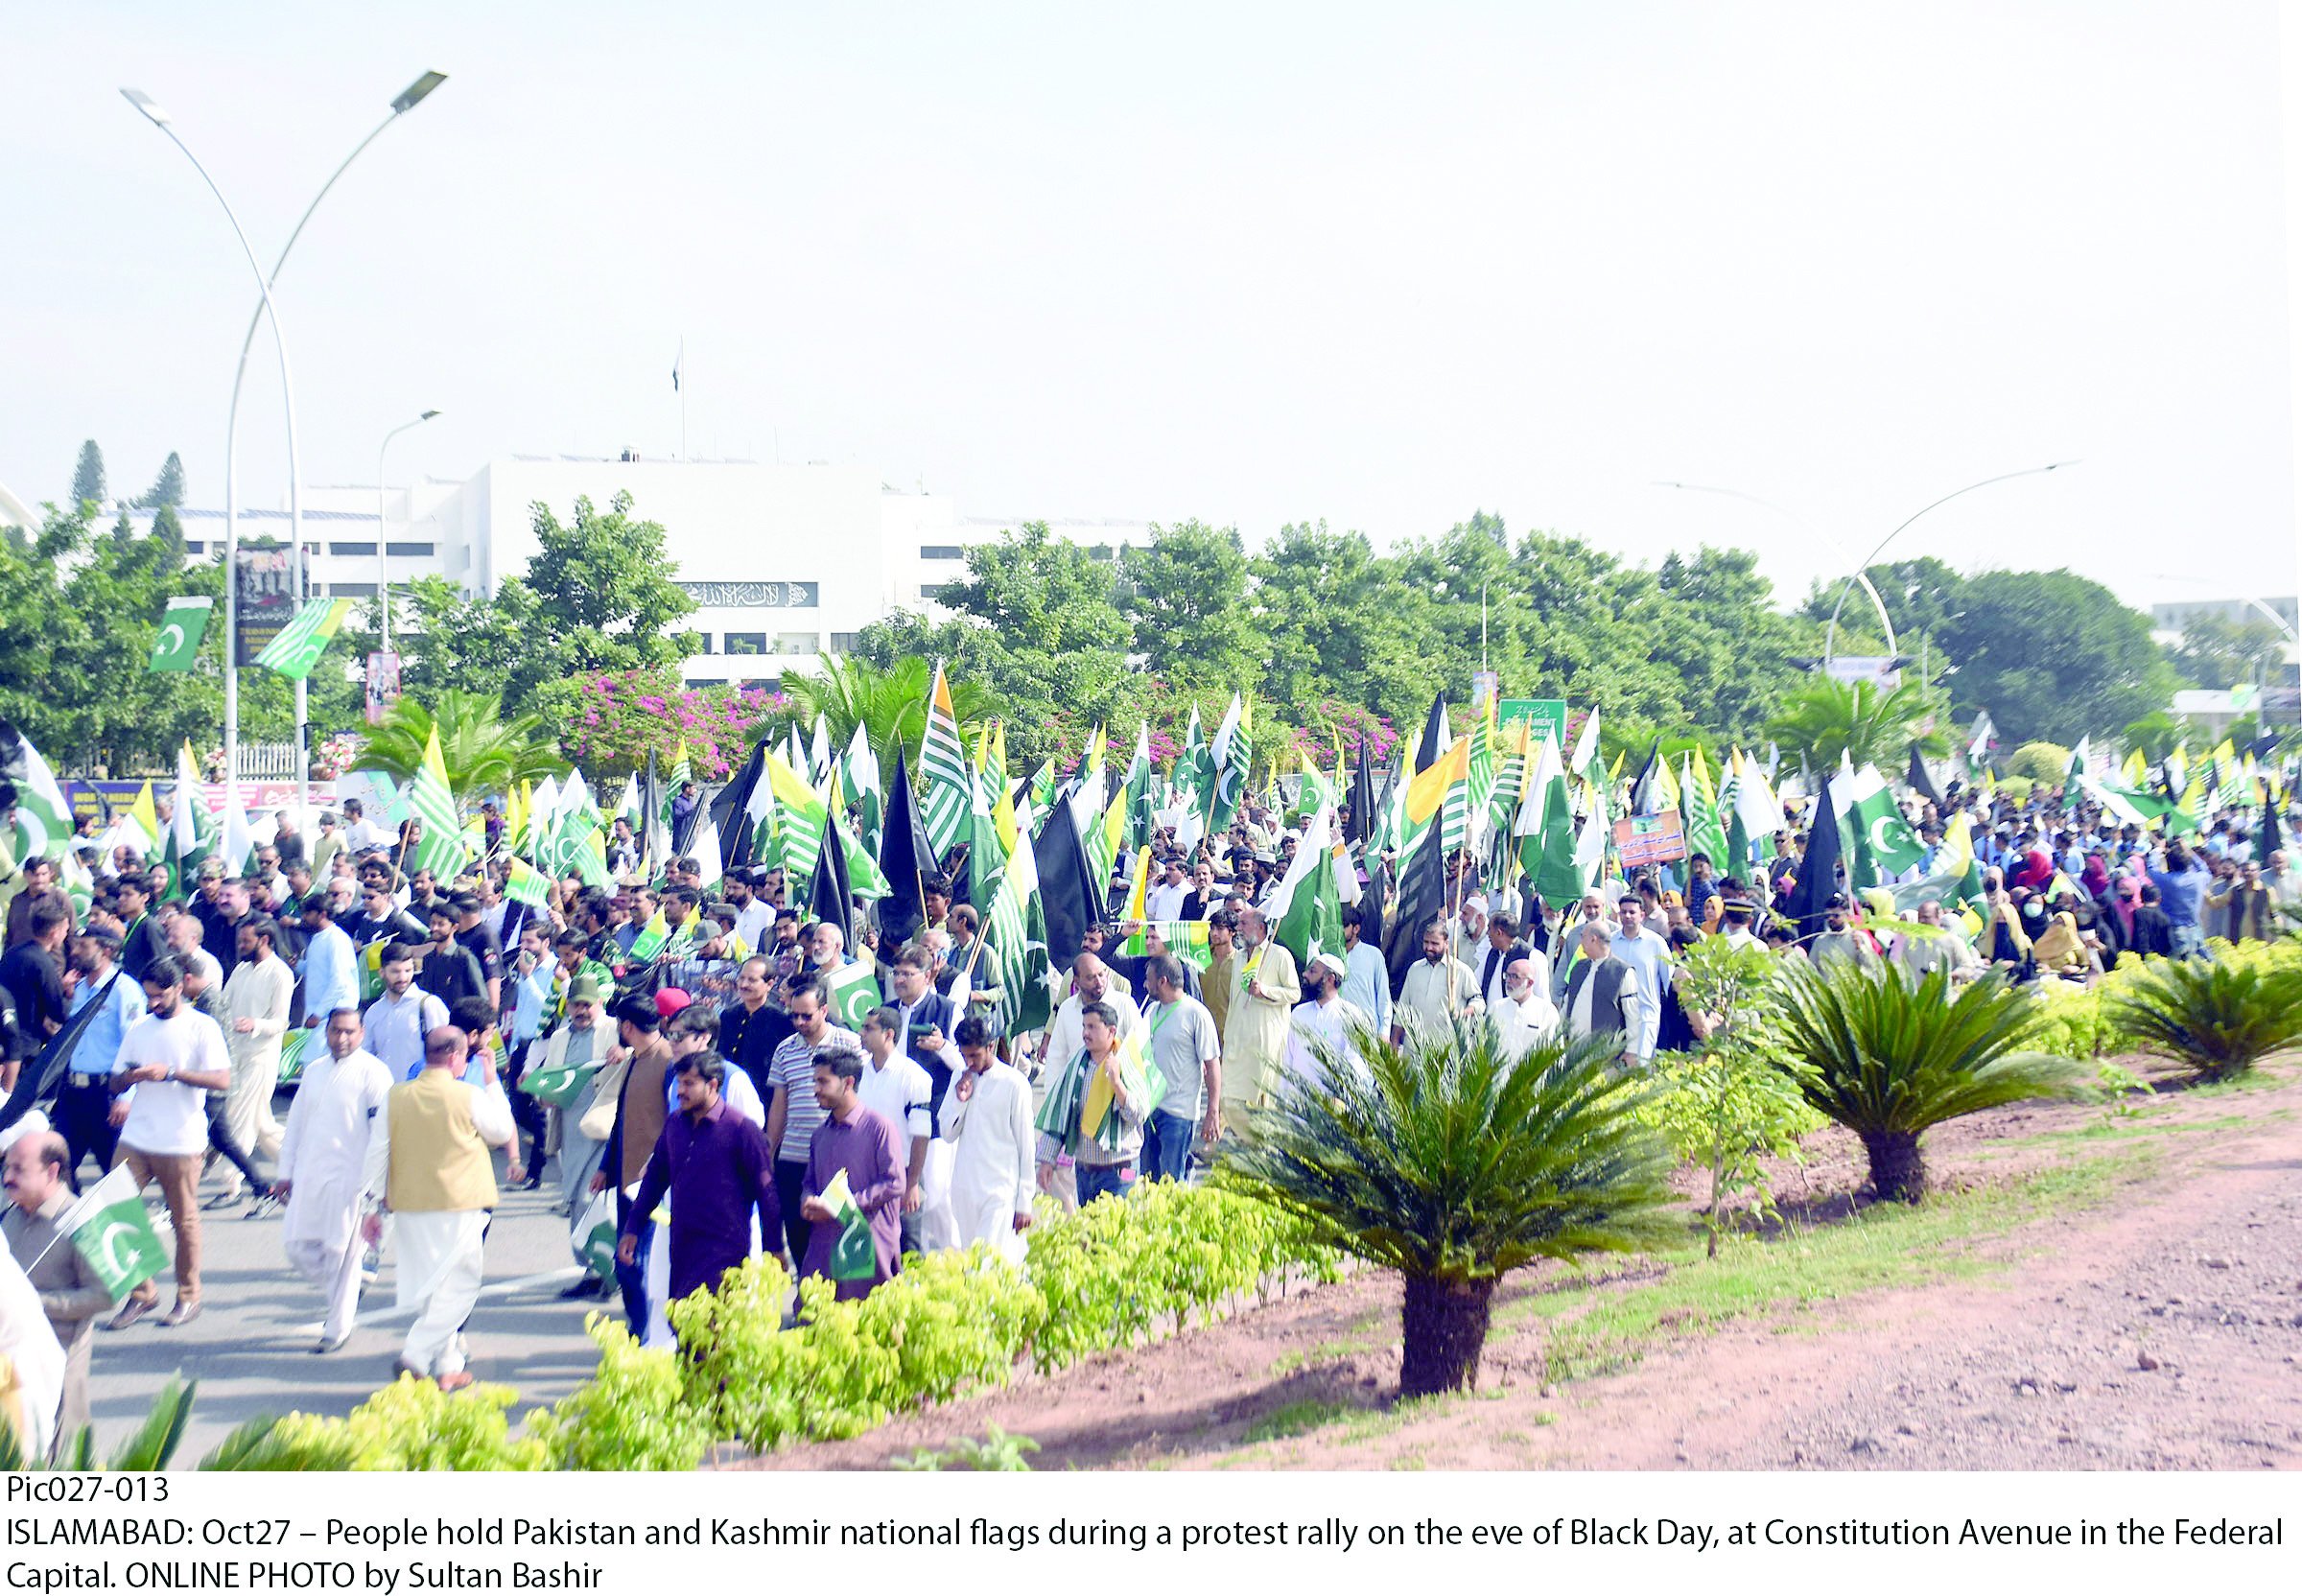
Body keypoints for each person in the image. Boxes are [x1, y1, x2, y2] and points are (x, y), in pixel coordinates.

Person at [376, 1025, 517, 1391]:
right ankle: (416, 1354)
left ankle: (448, 1366)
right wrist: (491, 1082)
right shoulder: (467, 1094)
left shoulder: (396, 1095)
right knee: (460, 1287)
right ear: (456, 1056)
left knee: (433, 1288)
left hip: (408, 1204)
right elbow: (501, 1131)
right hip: (460, 1204)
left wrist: (370, 1207)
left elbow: (376, 1152)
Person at [100, 955, 231, 1331]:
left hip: (182, 1138)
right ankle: (142, 1292)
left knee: (184, 1220)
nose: (153, 1003)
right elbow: (114, 1081)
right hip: (137, 1135)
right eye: (148, 997)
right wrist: (131, 1078)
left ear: (179, 987)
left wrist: (171, 1073)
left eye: (159, 996)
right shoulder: (140, 1027)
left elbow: (222, 1080)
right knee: (113, 1207)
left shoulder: (201, 1027)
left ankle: (189, 1297)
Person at [618, 1051, 781, 1310]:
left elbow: (767, 1193)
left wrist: (775, 1248)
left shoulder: (741, 1129)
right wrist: (632, 1228)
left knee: (716, 1327)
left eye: (689, 1084)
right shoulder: (674, 1125)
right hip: (683, 1245)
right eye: (679, 1083)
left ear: (713, 1085)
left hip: (726, 1248)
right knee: (683, 1324)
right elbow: (654, 1180)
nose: (680, 1091)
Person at [274, 1007, 392, 1353]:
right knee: (297, 1247)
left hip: (352, 1179)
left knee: (341, 1253)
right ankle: (351, 1284)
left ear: (361, 1033)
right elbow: (294, 1124)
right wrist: (285, 1173)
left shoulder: (374, 1073)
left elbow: (382, 1133)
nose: (341, 1039)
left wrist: (377, 1184)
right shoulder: (313, 1071)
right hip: (309, 1175)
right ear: (326, 1032)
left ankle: (337, 1329)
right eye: (335, 1031)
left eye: (349, 1032)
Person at [1, 1132, 109, 1449]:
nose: (7, 1177)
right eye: (7, 1167)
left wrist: (33, 1304)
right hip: (9, 1357)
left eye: (19, 1169)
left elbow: (104, 1296)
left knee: (58, 1452)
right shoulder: (11, 1215)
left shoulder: (85, 1220)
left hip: (58, 1356)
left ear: (52, 1171)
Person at [595, 996, 677, 1330]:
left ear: (627, 1027)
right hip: (627, 1178)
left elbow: (676, 1121)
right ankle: (639, 1326)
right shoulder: (634, 1060)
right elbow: (622, 1119)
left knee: (638, 1260)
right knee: (627, 1259)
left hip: (654, 1182)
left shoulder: (669, 1061)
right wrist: (605, 1166)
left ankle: (646, 1331)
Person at [799, 1041, 904, 1298]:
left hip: (865, 1243)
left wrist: (842, 1207)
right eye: (815, 1082)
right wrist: (808, 1201)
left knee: (867, 1323)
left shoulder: (879, 1127)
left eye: (823, 1082)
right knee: (816, 1319)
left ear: (847, 1083)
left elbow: (895, 1183)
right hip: (824, 1244)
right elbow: (809, 1182)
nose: (816, 1089)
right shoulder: (820, 1134)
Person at [764, 978, 857, 1265]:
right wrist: (769, 1153)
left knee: (841, 1232)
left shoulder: (849, 1044)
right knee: (798, 1232)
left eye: (807, 1015)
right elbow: (779, 1105)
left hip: (839, 1155)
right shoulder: (784, 1049)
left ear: (824, 1010)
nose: (800, 1022)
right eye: (794, 1015)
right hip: (794, 1156)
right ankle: (807, 1296)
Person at [940, 1016, 1035, 1262]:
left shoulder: (1015, 1083)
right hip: (965, 1190)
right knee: (971, 1262)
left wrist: (1025, 1201)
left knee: (989, 1265)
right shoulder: (959, 1077)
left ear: (990, 1046)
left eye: (975, 1056)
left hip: (1001, 1190)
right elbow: (947, 1133)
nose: (969, 1062)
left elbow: (1027, 1146)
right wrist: (960, 1100)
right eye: (964, 1056)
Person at [1035, 1001, 1147, 1206]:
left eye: (1092, 1027)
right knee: (1088, 1234)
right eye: (1084, 1026)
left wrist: (1116, 1083)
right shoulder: (1077, 1066)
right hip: (1085, 1170)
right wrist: (1046, 1161)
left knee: (1114, 1234)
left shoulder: (1127, 1063)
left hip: (1121, 1172)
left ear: (1111, 1031)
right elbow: (1060, 1114)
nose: (1085, 1033)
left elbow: (1138, 1116)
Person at [215, 916, 292, 1207]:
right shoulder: (241, 970)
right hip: (236, 1055)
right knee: (263, 1126)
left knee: (239, 1121)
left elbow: (281, 1021)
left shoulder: (279, 974)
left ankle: (231, 1185)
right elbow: (224, 1003)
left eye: (246, 941)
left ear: (264, 940)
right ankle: (303, 1163)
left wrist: (255, 1024)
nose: (241, 945)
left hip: (261, 1057)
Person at [56, 933, 141, 1192]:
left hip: (106, 1092)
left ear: (105, 950)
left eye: (84, 946)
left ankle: (130, 1231)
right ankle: (72, 1222)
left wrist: (126, 1096)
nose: (76, 951)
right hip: (73, 1092)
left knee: (115, 1174)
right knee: (60, 1165)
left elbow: (135, 1044)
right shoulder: (80, 990)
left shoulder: (124, 990)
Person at [854, 1007, 933, 1255]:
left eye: (869, 1028)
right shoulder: (858, 1072)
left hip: (902, 1173)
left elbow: (921, 1135)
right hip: (865, 1173)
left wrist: (911, 1186)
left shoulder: (914, 1076)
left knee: (908, 1247)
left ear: (889, 1034)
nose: (861, 1033)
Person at [1137, 954, 1220, 1182]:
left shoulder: (1196, 1014)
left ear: (1162, 981)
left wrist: (1212, 1111)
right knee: (1148, 1180)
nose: (1145, 984)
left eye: (1148, 979)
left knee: (1172, 1181)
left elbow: (1212, 1065)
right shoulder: (1152, 1010)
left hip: (1179, 1113)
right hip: (1150, 1110)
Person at [1217, 905, 1298, 1136]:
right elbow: (1234, 999)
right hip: (1237, 1040)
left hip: (1266, 1041)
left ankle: (1259, 1150)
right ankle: (1249, 1140)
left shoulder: (1279, 955)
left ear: (1260, 928)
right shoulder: (1239, 957)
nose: (1238, 929)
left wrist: (1265, 991)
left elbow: (1294, 993)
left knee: (1263, 1104)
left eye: (1243, 924)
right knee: (1229, 1099)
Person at [1284, 952, 1369, 1091]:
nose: (1305, 974)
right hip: (1296, 1104)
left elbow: (1355, 1063)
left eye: (1313, 971)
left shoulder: (1351, 1016)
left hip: (1331, 1106)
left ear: (1330, 978)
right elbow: (1287, 1059)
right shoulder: (1299, 1013)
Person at [364, 944, 449, 1081]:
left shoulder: (429, 1005)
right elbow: (366, 1056)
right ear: (382, 973)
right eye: (395, 972)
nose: (403, 978)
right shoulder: (373, 1012)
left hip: (420, 1092)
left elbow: (447, 1050)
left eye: (408, 970)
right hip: (385, 1095)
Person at [1562, 922, 1640, 1066]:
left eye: (1582, 937)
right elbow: (1567, 1004)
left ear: (1593, 939)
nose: (1580, 941)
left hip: (1606, 1057)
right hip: (1573, 1052)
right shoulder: (1578, 968)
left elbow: (1633, 1015)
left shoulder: (1623, 972)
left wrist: (1632, 1051)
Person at [1606, 897, 1670, 1063]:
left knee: (1642, 1065)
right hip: (1616, 1015)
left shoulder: (1656, 943)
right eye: (1624, 912)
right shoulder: (1610, 942)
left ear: (1642, 915)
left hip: (1645, 1015)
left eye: (1632, 912)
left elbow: (1669, 980)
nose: (1627, 916)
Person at [1396, 919, 1476, 1043]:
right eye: (1426, 942)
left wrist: (1464, 1013)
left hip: (1445, 1047)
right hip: (1414, 1046)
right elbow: (1403, 1008)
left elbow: (1478, 1001)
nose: (1429, 947)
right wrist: (1394, 1040)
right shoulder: (1415, 969)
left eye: (1434, 943)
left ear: (1446, 944)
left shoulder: (1460, 971)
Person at [296, 894, 358, 1032]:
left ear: (322, 914)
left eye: (308, 913)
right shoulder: (318, 938)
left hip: (336, 1015)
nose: (304, 917)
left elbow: (340, 982)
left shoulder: (336, 939)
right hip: (321, 1016)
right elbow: (317, 971)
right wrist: (297, 965)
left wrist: (318, 1014)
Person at [1337, 905, 1392, 1037]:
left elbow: (1383, 995)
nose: (1338, 931)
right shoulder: (1330, 955)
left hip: (1366, 1031)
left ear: (1356, 929)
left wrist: (1384, 1031)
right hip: (1336, 1030)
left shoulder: (1373, 955)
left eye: (1343, 926)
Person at [1490, 955, 1559, 1060]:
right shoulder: (1497, 1007)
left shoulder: (1547, 1012)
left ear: (1530, 982)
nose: (1508, 980)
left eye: (1514, 976)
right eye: (1507, 975)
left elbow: (1555, 1052)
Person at [1476, 913, 1535, 1012]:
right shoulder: (1491, 954)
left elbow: (1541, 997)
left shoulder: (1532, 956)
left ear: (1499, 933)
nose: (1487, 934)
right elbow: (1476, 983)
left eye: (1489, 929)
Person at [1808, 896, 1878, 973]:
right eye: (1827, 916)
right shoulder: (1820, 941)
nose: (1831, 919)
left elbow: (1872, 966)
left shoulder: (1859, 937)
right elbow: (1810, 969)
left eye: (1836, 916)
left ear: (1847, 915)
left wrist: (1860, 948)